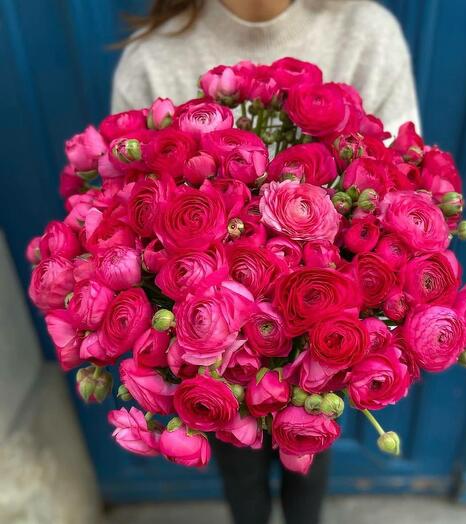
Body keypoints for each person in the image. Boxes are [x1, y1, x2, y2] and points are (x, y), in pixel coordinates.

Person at [111, 2, 421, 523]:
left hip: (323, 347)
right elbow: (123, 207)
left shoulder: (368, 34)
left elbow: (406, 184)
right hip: (209, 359)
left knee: (308, 449)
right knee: (236, 455)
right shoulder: (150, 58)